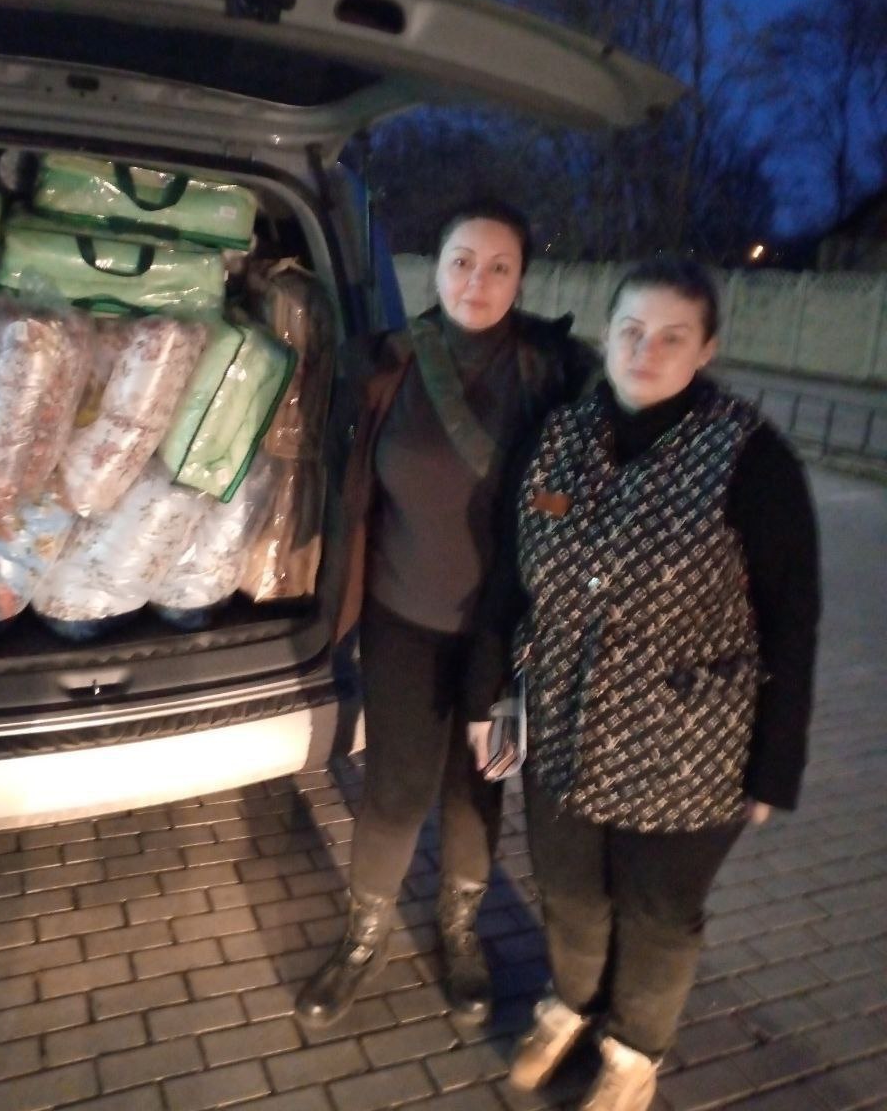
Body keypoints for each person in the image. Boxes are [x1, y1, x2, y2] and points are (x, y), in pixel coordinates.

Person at [467, 256, 820, 1110]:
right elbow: (509, 582)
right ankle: (572, 1004)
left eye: (671, 337)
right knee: (571, 894)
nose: (644, 352)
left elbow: (793, 620)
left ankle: (634, 1049)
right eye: (630, 331)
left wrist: (774, 768)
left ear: (706, 349)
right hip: (564, 724)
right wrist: (491, 699)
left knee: (658, 912)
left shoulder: (752, 459)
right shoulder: (557, 437)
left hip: (690, 747)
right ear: (607, 332)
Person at [294, 199, 597, 1028]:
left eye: (500, 267)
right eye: (463, 261)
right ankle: (363, 936)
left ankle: (460, 930)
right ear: (436, 264)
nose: (477, 281)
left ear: (522, 278)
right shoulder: (386, 362)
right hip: (402, 617)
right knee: (395, 788)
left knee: (477, 786)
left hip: (509, 632)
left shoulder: (557, 370)